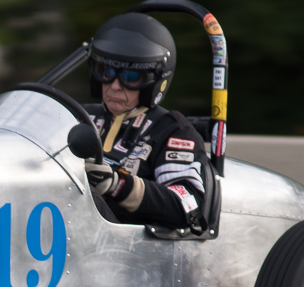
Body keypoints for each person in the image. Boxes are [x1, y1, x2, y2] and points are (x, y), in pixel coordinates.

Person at [81, 13, 208, 230]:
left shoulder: (172, 131)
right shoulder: (76, 116)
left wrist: (118, 184)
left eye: (130, 76)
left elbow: (187, 205)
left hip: (122, 248)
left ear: (154, 82)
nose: (114, 85)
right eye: (106, 71)